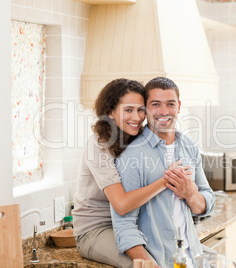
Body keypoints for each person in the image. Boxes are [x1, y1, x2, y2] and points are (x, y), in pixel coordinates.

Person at [72, 78, 190, 267]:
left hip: (134, 226)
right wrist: (166, 179)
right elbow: (121, 204)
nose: (136, 117)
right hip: (97, 230)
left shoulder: (137, 137)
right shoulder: (99, 145)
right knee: (148, 265)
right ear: (110, 112)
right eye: (128, 110)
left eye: (140, 109)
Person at [112, 77, 216, 267]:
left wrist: (191, 195)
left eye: (170, 104)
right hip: (161, 260)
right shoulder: (131, 156)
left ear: (179, 106)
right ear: (145, 109)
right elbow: (124, 225)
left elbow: (207, 201)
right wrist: (148, 262)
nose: (163, 112)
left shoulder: (188, 146)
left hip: (193, 258)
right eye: (155, 104)